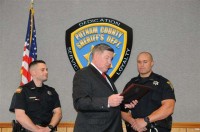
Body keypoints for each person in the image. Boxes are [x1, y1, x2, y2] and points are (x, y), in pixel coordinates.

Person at [72, 43, 137, 132]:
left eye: (111, 59)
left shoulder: (107, 78)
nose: (110, 62)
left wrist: (125, 105)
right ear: (96, 56)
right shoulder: (83, 74)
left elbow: (111, 104)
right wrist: (107, 101)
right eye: (107, 58)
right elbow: (80, 102)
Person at [121, 52, 176, 132]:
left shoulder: (163, 83)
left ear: (152, 63)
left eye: (145, 62)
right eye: (139, 62)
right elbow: (123, 110)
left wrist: (145, 121)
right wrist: (133, 122)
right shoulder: (131, 84)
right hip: (135, 129)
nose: (141, 65)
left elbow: (169, 108)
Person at [9, 60, 62, 132]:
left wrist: (49, 128)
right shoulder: (23, 91)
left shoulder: (51, 91)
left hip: (48, 130)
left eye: (46, 70)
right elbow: (20, 116)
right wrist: (37, 130)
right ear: (33, 72)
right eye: (42, 70)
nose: (46, 72)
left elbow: (58, 112)